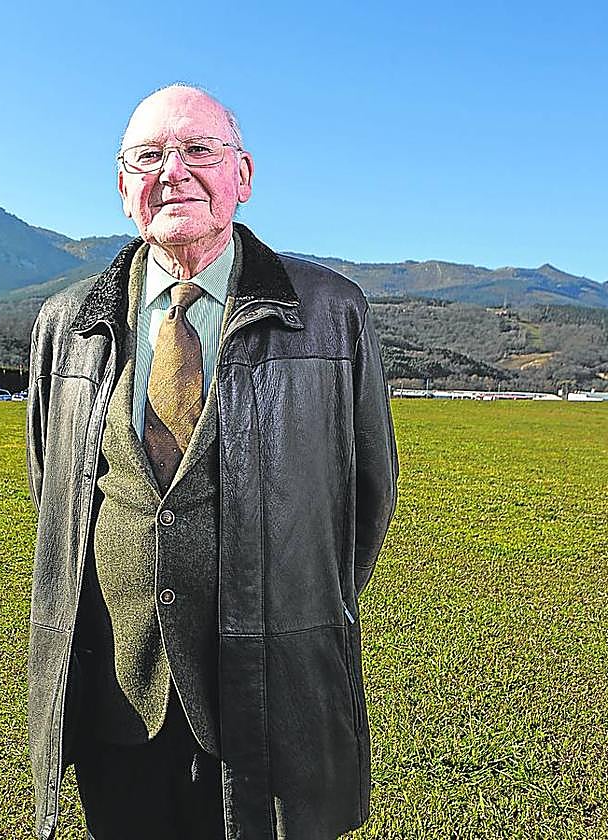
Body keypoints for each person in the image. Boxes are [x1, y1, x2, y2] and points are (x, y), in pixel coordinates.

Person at [24, 84, 399, 840]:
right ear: (122, 184)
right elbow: (53, 490)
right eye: (148, 156)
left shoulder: (330, 312)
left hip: (269, 703)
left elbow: (366, 498)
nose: (174, 171)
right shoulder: (66, 325)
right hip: (116, 705)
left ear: (243, 175)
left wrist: (289, 610)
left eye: (199, 150)